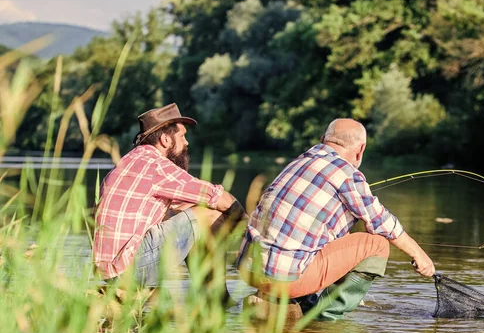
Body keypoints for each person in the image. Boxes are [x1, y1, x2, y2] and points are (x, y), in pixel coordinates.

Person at [237, 118, 435, 320]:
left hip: (248, 270)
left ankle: (296, 302)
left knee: (339, 239)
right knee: (377, 244)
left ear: (323, 139)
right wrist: (419, 254)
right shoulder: (346, 174)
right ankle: (323, 316)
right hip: (283, 279)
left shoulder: (299, 162)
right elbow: (381, 222)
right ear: (361, 149)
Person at [93, 103, 245, 294]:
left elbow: (183, 207)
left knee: (186, 213)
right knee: (207, 214)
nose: (187, 142)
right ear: (165, 139)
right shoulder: (156, 165)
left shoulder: (128, 161)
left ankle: (214, 297)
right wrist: (249, 232)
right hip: (130, 269)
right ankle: (215, 298)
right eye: (182, 136)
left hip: (110, 271)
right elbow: (218, 197)